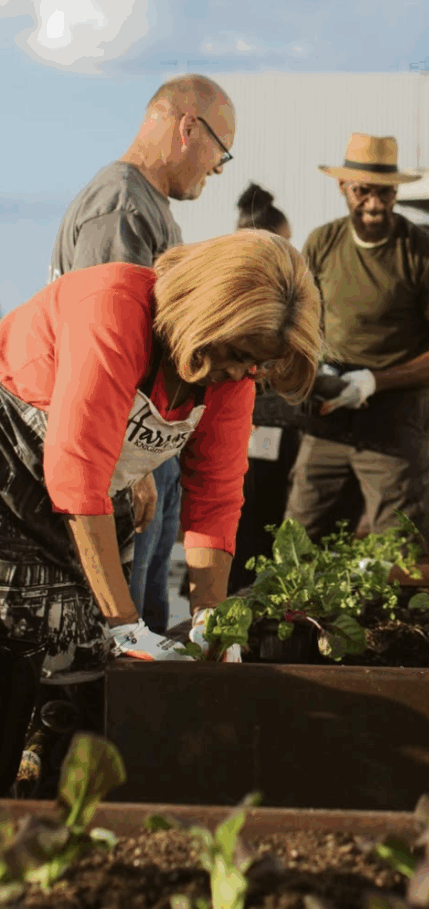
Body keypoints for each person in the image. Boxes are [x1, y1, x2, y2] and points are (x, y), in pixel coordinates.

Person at [0, 231, 320, 782]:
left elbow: (216, 495)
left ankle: (50, 796)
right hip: (12, 464)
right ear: (207, 315)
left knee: (82, 661)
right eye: (237, 355)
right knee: (17, 643)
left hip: (90, 491)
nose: (240, 374)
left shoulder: (231, 376)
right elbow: (77, 471)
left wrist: (210, 617)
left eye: (255, 365)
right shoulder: (114, 307)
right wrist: (125, 623)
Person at [49, 73, 237, 636]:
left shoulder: (146, 206)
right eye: (221, 151)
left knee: (150, 620)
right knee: (125, 632)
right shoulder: (121, 207)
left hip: (144, 452)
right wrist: (124, 466)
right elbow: (101, 357)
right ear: (188, 128)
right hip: (124, 452)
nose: (219, 168)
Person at [285, 132, 429, 546]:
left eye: (385, 192)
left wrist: (374, 381)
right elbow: (300, 321)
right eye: (362, 191)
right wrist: (317, 369)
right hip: (329, 415)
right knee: (301, 541)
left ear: (396, 192)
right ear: (342, 187)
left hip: (395, 422)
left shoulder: (424, 253)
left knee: (400, 546)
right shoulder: (322, 243)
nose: (374, 203)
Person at [228, 184, 303, 594]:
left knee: (263, 521)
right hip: (255, 426)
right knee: (249, 520)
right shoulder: (245, 288)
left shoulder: (277, 286)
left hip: (276, 427)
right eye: (285, 242)